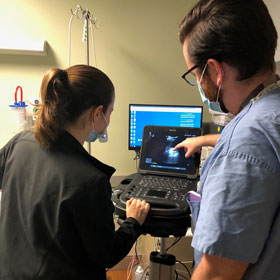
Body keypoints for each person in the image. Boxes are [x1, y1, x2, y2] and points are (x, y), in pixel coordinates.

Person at [0, 65, 150, 280]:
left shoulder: (19, 143)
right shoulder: (89, 181)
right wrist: (133, 222)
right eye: (109, 113)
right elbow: (106, 254)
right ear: (97, 113)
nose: (108, 120)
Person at [177, 0, 280, 279]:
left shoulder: (241, 147)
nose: (199, 84)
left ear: (215, 70)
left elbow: (217, 274)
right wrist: (207, 140)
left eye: (195, 74)